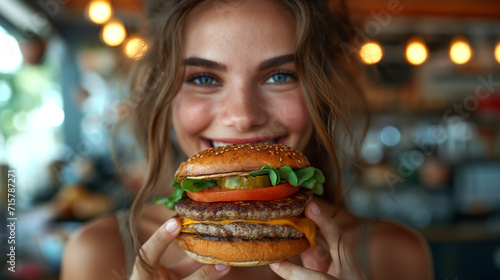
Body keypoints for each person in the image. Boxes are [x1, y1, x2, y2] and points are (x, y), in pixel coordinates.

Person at [61, 0, 434, 279]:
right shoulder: (99, 254)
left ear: (320, 91)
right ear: (164, 94)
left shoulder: (393, 255)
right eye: (203, 79)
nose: (242, 116)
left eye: (280, 75)